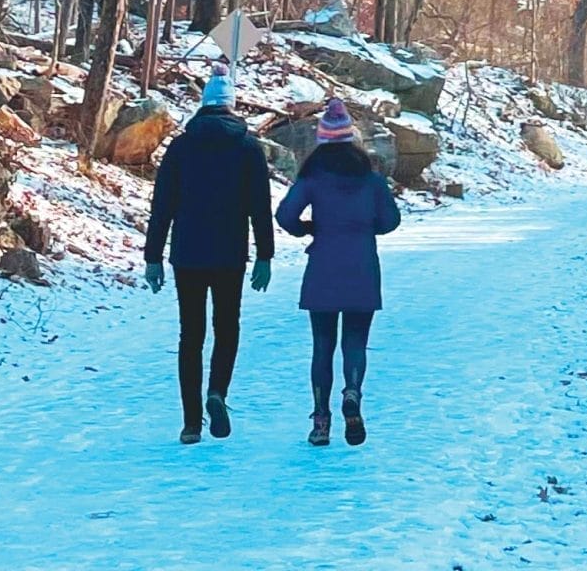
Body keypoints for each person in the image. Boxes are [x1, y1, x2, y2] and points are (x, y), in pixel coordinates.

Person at [143, 69, 274, 445]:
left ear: (203, 105)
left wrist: (153, 256)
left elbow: (162, 206)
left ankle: (190, 423)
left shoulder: (181, 148)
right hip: (230, 254)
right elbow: (259, 208)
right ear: (231, 105)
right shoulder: (248, 148)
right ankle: (217, 391)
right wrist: (265, 254)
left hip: (188, 253)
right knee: (227, 327)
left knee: (191, 335)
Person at [274, 99, 400, 448]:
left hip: (323, 268)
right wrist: (364, 227)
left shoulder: (313, 178)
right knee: (356, 340)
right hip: (362, 266)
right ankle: (353, 393)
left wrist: (308, 229)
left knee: (322, 345)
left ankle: (320, 421)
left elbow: (284, 216)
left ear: (322, 141)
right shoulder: (370, 179)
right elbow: (391, 220)